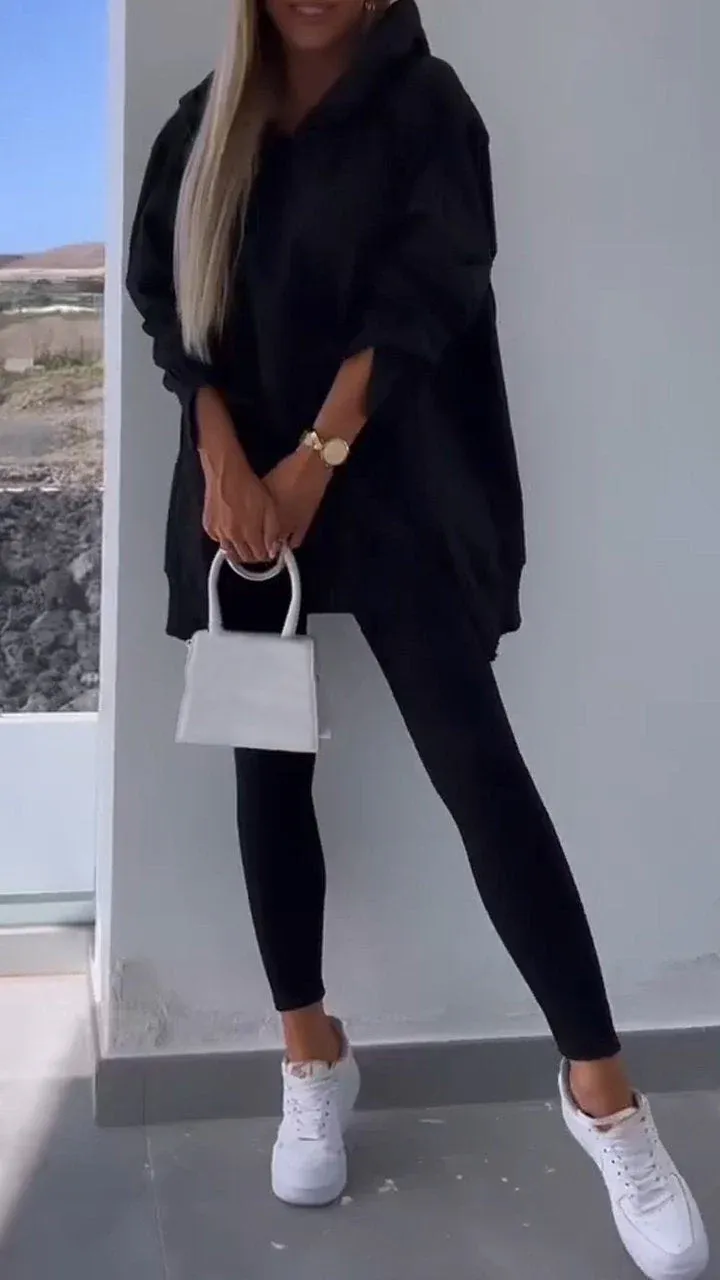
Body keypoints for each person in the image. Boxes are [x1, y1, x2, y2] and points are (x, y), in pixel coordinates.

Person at [126, 2, 708, 1276]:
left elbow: (423, 298)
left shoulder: (428, 111)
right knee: (268, 766)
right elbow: (172, 310)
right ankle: (311, 1053)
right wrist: (225, 463)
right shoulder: (203, 125)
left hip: (393, 474)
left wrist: (314, 462)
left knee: (480, 774)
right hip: (244, 491)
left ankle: (604, 1095)